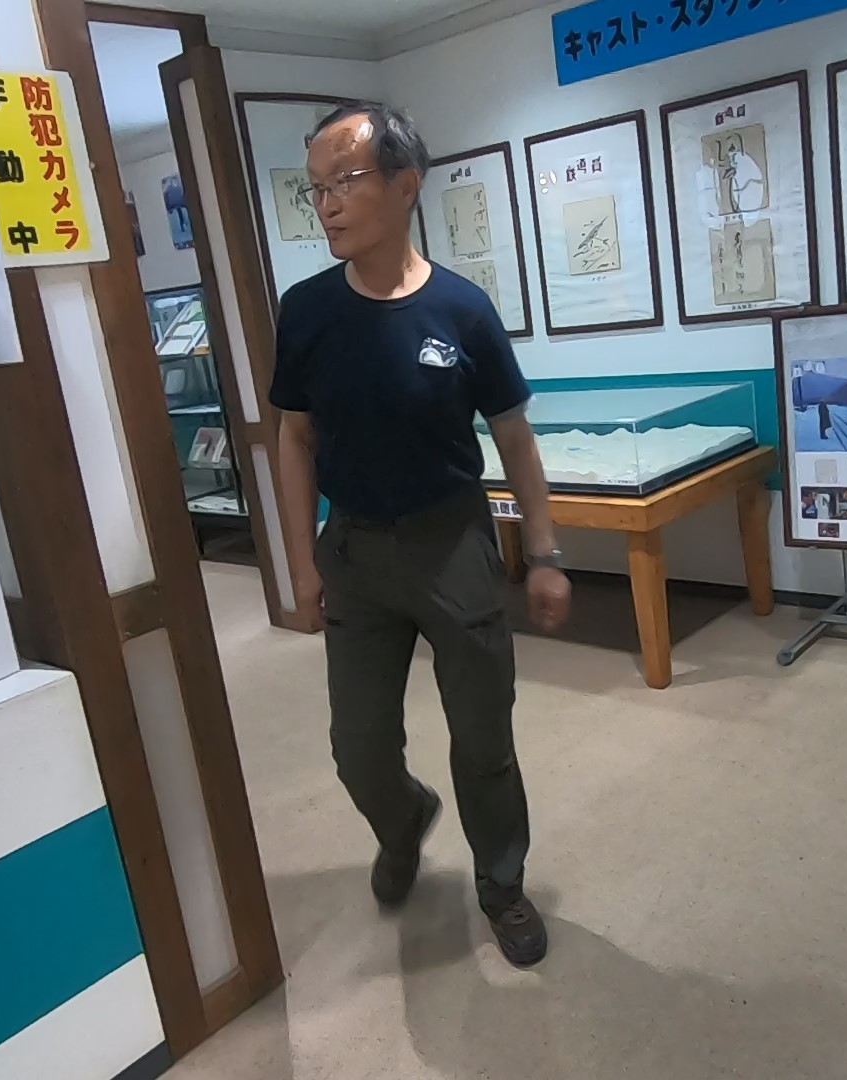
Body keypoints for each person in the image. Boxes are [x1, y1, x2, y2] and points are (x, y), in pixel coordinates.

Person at [270, 101, 572, 968]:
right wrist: (302, 565)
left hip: (453, 546)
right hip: (355, 555)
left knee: (483, 738)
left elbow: (514, 437)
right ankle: (403, 821)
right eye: (316, 187)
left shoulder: (462, 310)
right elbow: (295, 438)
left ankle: (502, 886)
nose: (328, 204)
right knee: (358, 747)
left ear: (406, 185)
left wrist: (544, 554)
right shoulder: (306, 311)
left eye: (345, 180)